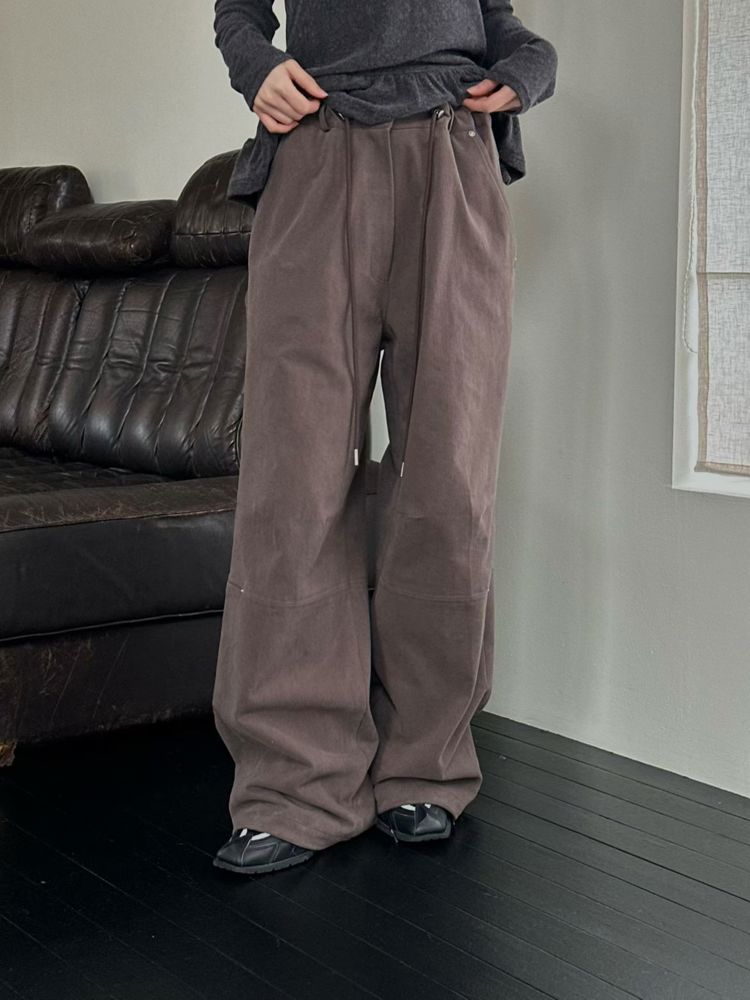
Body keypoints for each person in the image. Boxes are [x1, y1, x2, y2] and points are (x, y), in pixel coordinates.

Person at [210, 0, 558, 875]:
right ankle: (295, 785)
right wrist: (256, 66)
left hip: (452, 156)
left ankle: (424, 767)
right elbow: (237, 9)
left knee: (447, 483)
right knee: (294, 485)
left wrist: (530, 70)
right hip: (318, 153)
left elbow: (503, 26)